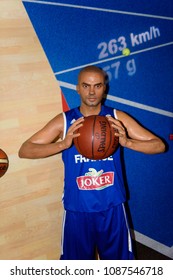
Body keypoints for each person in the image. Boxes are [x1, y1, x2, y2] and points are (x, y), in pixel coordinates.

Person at [19, 65, 165, 260]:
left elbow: (158, 145)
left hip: (112, 206)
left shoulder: (116, 118)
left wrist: (127, 142)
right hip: (77, 208)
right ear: (77, 88)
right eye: (86, 86)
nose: (91, 92)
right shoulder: (65, 121)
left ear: (104, 88)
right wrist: (63, 144)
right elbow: (25, 150)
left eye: (97, 86)